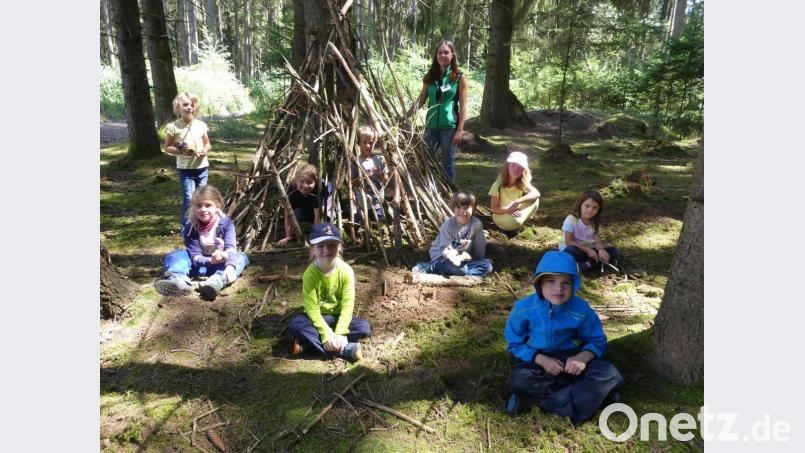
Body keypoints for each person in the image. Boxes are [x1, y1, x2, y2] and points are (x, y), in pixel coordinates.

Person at [504, 251, 623, 424]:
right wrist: (540, 359)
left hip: (572, 361)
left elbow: (597, 340)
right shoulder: (523, 308)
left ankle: (538, 402)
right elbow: (514, 342)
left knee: (610, 375)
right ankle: (589, 399)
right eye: (551, 281)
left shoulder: (581, 309)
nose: (559, 288)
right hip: (537, 361)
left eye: (566, 283)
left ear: (574, 284)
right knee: (519, 380)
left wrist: (582, 357)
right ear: (539, 283)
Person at [288, 223, 371, 362]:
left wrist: (340, 332)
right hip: (318, 318)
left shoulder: (346, 271)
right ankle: (346, 350)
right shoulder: (310, 274)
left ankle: (307, 344)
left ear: (339, 247)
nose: (326, 250)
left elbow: (348, 304)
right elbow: (312, 308)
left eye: (331, 245)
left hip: (338, 317)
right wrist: (326, 334)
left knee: (364, 327)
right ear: (312, 249)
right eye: (320, 246)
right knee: (296, 324)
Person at [154, 185, 249, 301]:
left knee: (241, 257)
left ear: (217, 206)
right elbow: (194, 255)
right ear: (194, 207)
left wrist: (229, 266)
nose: (203, 209)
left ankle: (217, 281)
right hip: (197, 266)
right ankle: (178, 281)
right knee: (175, 255)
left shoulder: (226, 223)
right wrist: (209, 260)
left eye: (208, 205)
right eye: (199, 206)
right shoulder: (191, 227)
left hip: (220, 265)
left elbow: (230, 248)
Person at [406, 40, 467, 181]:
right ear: (436, 55)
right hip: (431, 126)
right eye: (440, 52)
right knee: (425, 158)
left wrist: (460, 130)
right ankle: (429, 189)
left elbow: (464, 106)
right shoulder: (430, 77)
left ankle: (450, 195)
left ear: (452, 55)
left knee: (447, 163)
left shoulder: (458, 77)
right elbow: (421, 101)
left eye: (446, 52)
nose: (442, 55)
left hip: (449, 127)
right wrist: (405, 116)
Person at [413, 191, 492, 277]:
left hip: (462, 259)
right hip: (443, 257)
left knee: (487, 266)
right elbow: (445, 248)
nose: (462, 211)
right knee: (459, 269)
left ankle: (462, 274)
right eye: (458, 207)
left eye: (466, 207)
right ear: (454, 208)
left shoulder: (476, 224)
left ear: (473, 209)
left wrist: (479, 260)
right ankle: (429, 267)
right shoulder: (449, 224)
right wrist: (456, 261)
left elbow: (479, 245)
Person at [163, 92, 212, 228]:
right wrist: (180, 150)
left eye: (192, 105)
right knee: (190, 199)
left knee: (202, 198)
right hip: (186, 170)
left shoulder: (201, 125)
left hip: (202, 168)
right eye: (185, 105)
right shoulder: (173, 127)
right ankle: (187, 226)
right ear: (178, 108)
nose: (189, 107)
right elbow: (167, 147)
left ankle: (202, 225)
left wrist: (205, 150)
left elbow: (208, 144)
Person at [559, 190, 621, 273]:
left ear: (598, 210)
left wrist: (601, 250)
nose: (590, 210)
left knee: (613, 251)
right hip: (575, 249)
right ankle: (593, 263)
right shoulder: (571, 219)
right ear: (580, 205)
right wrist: (588, 250)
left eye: (595, 207)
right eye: (587, 206)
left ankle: (586, 265)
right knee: (571, 251)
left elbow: (597, 240)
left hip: (589, 250)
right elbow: (568, 241)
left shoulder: (593, 222)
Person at [488, 151, 540, 238]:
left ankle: (517, 222)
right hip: (500, 215)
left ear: (523, 170)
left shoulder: (522, 182)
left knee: (535, 199)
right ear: (507, 166)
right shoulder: (498, 184)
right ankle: (515, 224)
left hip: (514, 213)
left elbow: (536, 193)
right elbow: (494, 209)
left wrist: (517, 202)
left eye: (520, 167)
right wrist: (509, 210)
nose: (516, 169)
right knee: (515, 220)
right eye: (513, 165)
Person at [351, 125, 389, 222]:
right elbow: (351, 184)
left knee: (380, 223)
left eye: (371, 142)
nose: (368, 145)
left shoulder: (379, 160)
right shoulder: (356, 162)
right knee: (361, 225)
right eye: (364, 142)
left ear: (375, 142)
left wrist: (381, 173)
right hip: (362, 204)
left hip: (378, 203)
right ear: (359, 143)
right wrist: (363, 177)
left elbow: (386, 179)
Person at [278, 164, 322, 245]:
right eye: (302, 181)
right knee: (299, 219)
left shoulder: (317, 192)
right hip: (299, 208)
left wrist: (316, 234)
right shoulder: (291, 192)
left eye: (310, 182)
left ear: (315, 182)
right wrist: (288, 236)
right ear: (296, 180)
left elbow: (317, 216)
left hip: (312, 208)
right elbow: (288, 215)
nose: (305, 186)